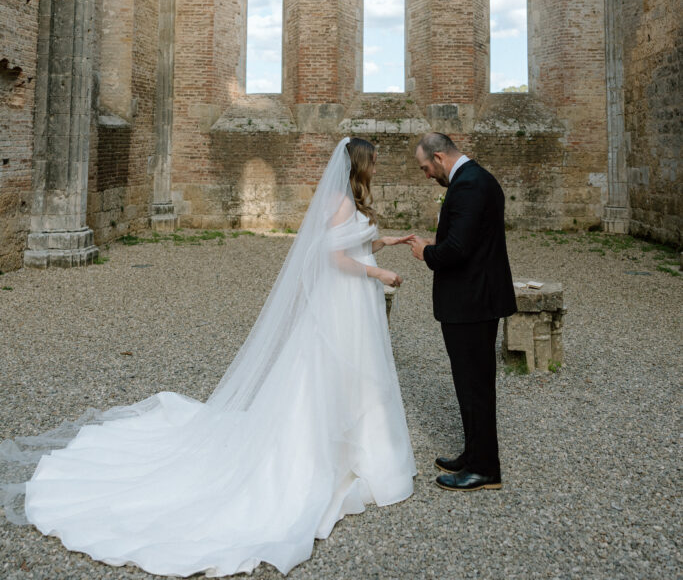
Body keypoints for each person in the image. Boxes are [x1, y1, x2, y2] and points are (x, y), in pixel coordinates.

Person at [0, 138, 416, 577]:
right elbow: (332, 256)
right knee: (331, 372)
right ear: (360, 164)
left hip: (351, 303)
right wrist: (379, 272)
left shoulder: (347, 200)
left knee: (352, 374)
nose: (377, 168)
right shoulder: (339, 202)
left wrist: (386, 240)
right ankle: (323, 453)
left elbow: (352, 242)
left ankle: (355, 447)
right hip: (343, 302)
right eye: (375, 162)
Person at [404, 132, 517, 492]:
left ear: (439, 157)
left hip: (471, 303)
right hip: (475, 299)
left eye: (426, 168)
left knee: (475, 387)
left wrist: (426, 252)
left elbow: (458, 251)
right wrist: (442, 243)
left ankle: (484, 469)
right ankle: (473, 454)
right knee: (470, 385)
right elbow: (470, 238)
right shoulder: (477, 179)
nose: (426, 175)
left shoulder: (468, 185)